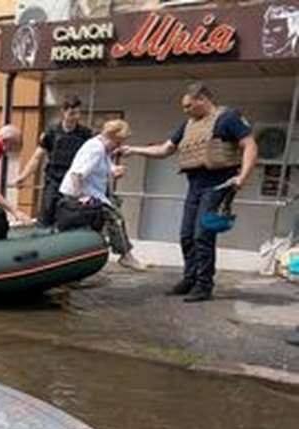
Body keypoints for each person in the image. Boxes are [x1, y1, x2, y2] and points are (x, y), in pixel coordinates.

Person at [122, 83, 258, 302]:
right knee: (186, 235)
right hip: (195, 185)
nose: (185, 111)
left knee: (202, 234)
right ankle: (190, 278)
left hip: (219, 183)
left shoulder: (228, 117)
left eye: (188, 106)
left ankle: (204, 286)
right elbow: (165, 149)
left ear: (202, 99)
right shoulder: (189, 125)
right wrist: (134, 150)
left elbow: (250, 145)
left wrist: (242, 177)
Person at [58, 119, 146, 271]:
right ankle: (126, 256)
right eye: (118, 142)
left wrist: (113, 170)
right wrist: (81, 198)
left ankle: (123, 255)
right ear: (112, 137)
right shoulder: (96, 149)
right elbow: (77, 174)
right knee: (116, 218)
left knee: (115, 207)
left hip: (93, 193)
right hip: (82, 194)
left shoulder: (103, 149)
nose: (118, 147)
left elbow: (102, 168)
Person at [17, 95, 94, 227]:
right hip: (53, 178)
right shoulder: (51, 132)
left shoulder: (85, 134)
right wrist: (23, 177)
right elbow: (37, 157)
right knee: (47, 212)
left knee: (69, 215)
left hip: (73, 180)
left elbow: (93, 158)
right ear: (63, 113)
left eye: (78, 113)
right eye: (71, 113)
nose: (75, 117)